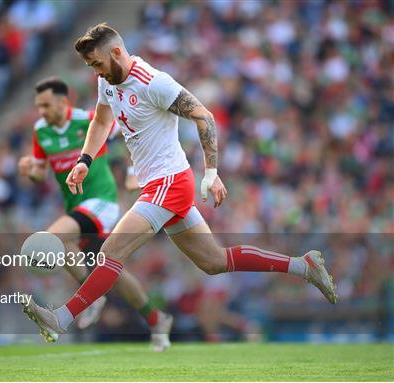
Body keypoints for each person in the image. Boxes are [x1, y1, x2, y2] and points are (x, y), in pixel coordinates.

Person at [21, 23, 338, 343]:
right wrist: (84, 161)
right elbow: (102, 121)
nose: (97, 72)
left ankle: (60, 318)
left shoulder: (153, 82)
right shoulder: (108, 82)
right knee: (214, 262)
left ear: (116, 53)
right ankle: (304, 266)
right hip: (158, 185)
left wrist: (211, 173)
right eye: (91, 67)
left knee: (111, 252)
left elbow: (204, 116)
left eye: (98, 64)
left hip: (169, 182)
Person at [17, 77, 173, 351]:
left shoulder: (88, 120)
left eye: (46, 105)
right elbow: (41, 173)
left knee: (51, 239)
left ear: (64, 102)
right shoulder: (41, 131)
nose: (41, 111)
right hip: (77, 210)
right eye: (38, 106)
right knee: (110, 270)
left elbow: (129, 133)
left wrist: (133, 173)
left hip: (102, 203)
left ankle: (89, 301)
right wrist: (30, 171)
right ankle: (156, 319)